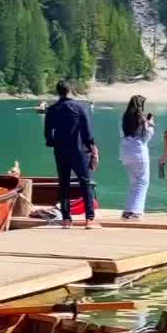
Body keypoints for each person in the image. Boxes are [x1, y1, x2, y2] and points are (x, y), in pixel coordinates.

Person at [43, 81, 97, 227]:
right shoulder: (79, 107)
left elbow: (47, 133)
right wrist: (92, 147)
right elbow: (86, 131)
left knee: (64, 183)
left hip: (60, 150)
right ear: (70, 91)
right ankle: (89, 218)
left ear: (58, 92)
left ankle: (66, 219)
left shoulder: (53, 109)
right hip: (78, 150)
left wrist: (52, 142)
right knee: (85, 183)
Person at [118, 96, 154, 219]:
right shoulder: (142, 119)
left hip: (125, 152)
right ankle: (135, 211)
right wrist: (151, 126)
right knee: (142, 182)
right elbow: (146, 138)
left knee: (134, 182)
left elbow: (122, 134)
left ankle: (128, 210)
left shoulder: (124, 118)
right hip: (138, 152)